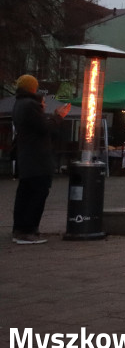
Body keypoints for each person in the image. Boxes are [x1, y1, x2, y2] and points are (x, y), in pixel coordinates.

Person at [11, 74, 69, 244]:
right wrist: (59, 116)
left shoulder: (19, 104)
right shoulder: (31, 105)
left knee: (24, 194)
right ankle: (28, 231)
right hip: (37, 159)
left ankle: (19, 228)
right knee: (37, 194)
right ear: (32, 88)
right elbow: (45, 128)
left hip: (26, 158)